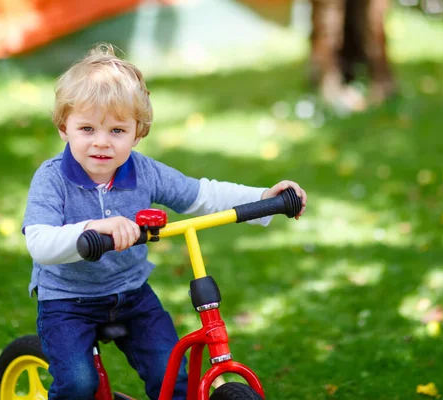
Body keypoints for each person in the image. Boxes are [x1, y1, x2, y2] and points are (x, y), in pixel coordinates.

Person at [22, 43, 307, 400]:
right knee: (78, 385)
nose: (101, 143)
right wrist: (90, 229)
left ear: (138, 133)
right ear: (64, 128)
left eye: (116, 131)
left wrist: (264, 198)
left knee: (171, 376)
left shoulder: (143, 171)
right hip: (67, 301)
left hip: (131, 294)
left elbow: (201, 194)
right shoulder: (52, 179)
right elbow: (39, 241)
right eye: (87, 129)